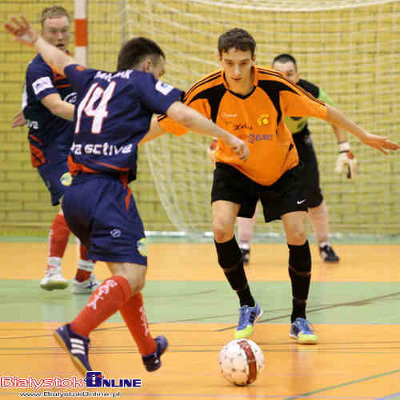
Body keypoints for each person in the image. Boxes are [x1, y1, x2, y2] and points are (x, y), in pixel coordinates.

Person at [4, 15, 248, 374]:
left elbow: (61, 62)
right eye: (159, 74)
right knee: (133, 276)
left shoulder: (92, 78)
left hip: (76, 196)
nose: (158, 80)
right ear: (148, 65)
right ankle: (77, 331)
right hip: (107, 193)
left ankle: (149, 350)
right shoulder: (141, 81)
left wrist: (32, 41)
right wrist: (228, 137)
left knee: (126, 274)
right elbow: (182, 113)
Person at [156, 28, 399, 344]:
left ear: (254, 60)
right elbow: (165, 122)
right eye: (229, 63)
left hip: (282, 168)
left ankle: (299, 317)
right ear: (219, 59)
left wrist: (362, 135)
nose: (237, 71)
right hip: (234, 167)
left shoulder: (275, 85)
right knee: (220, 228)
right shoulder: (205, 91)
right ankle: (247, 304)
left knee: (298, 234)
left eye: (244, 62)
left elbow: (324, 110)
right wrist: (125, 140)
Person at [235, 53, 357, 265]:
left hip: (299, 141)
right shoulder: (256, 91)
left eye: (289, 74)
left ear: (298, 76)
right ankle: (243, 246)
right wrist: (219, 143)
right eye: (279, 74)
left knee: (312, 193)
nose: (285, 78)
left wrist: (344, 149)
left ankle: (324, 244)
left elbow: (335, 117)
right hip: (264, 141)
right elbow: (236, 117)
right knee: (249, 192)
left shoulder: (310, 91)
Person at [15, 6, 98, 294]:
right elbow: (56, 106)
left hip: (76, 148)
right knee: (73, 201)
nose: (60, 36)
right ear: (42, 33)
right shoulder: (38, 66)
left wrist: (26, 109)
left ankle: (84, 277)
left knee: (93, 206)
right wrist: (96, 114)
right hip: (49, 151)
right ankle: (52, 270)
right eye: (53, 31)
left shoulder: (70, 63)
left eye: (64, 30)